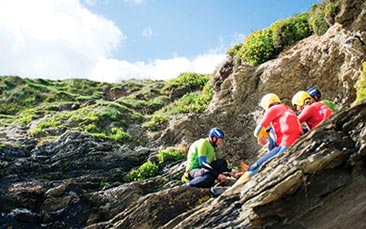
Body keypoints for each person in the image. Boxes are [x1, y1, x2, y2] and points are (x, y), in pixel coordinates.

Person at [237, 93, 303, 184]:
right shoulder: (287, 108)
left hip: (286, 144)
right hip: (297, 140)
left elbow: (256, 132)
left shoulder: (272, 110)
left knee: (257, 166)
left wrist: (260, 136)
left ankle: (236, 187)